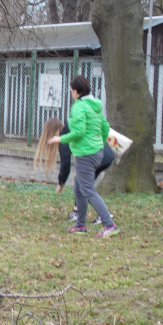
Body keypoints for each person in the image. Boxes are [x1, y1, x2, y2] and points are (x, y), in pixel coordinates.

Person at [47, 75, 120, 238]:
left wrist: (60, 139)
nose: (71, 93)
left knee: (87, 189)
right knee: (79, 189)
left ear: (76, 91)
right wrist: (99, 144)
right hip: (95, 152)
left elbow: (79, 132)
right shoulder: (95, 105)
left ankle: (110, 224)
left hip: (85, 154)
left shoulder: (79, 107)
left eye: (71, 90)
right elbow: (105, 127)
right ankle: (80, 225)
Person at [35, 118, 115, 224]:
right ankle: (77, 212)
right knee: (81, 185)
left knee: (86, 188)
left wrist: (61, 183)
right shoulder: (71, 127)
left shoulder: (64, 137)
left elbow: (65, 164)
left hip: (97, 157)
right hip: (104, 156)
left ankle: (104, 215)